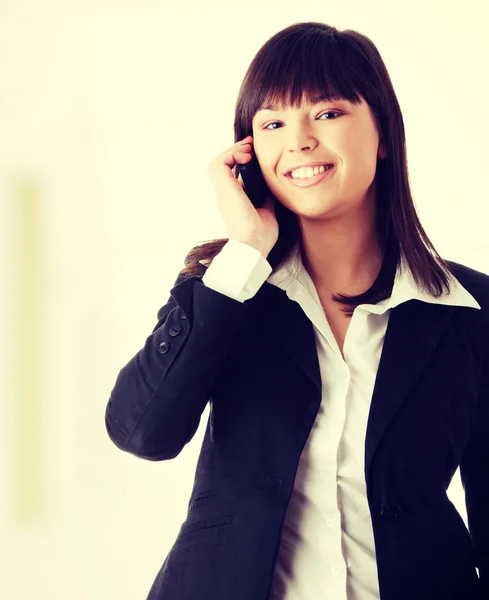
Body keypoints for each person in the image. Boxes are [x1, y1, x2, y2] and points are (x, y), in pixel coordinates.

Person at [104, 21, 489, 600]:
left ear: (383, 133)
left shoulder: (469, 311)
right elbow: (144, 433)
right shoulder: (228, 288)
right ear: (249, 152)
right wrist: (243, 253)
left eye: (328, 113)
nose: (300, 140)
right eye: (273, 123)